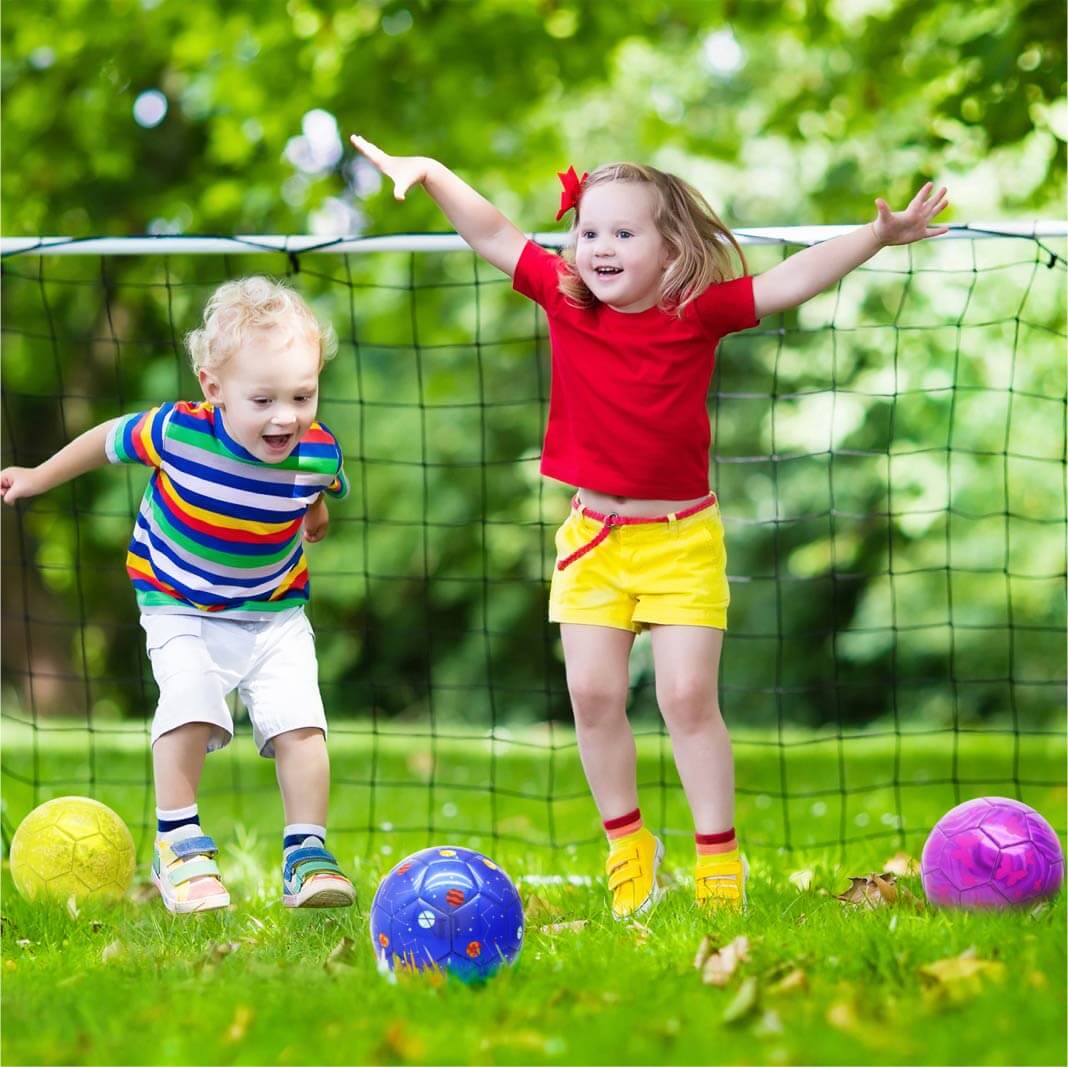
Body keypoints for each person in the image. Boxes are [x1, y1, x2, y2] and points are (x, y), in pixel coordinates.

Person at [351, 134, 949, 919]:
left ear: (670, 249)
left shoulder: (696, 313)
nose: (599, 246)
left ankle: (718, 859)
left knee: (687, 697)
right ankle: (628, 845)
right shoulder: (564, 297)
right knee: (592, 693)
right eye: (589, 230)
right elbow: (492, 231)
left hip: (681, 540)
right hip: (593, 540)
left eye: (623, 232)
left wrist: (875, 234)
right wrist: (431, 170)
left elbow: (788, 281)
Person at [1, 276, 357, 913]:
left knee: (302, 724)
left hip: (273, 610)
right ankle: (179, 846)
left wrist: (313, 515)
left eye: (302, 395)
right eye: (263, 399)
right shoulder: (177, 433)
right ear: (213, 388)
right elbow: (103, 441)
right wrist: (37, 477)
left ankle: (307, 854)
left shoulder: (319, 451)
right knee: (191, 703)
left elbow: (318, 490)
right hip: (178, 601)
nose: (285, 415)